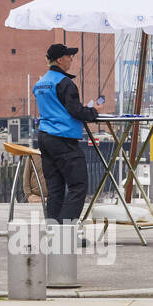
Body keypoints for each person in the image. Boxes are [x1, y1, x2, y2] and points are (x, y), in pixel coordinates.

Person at [32, 43, 101, 222]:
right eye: (69, 56)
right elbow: (75, 111)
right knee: (78, 186)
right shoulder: (65, 83)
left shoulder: (39, 84)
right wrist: (94, 112)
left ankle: (53, 233)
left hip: (45, 137)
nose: (72, 59)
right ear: (60, 60)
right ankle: (64, 233)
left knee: (55, 189)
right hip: (63, 139)